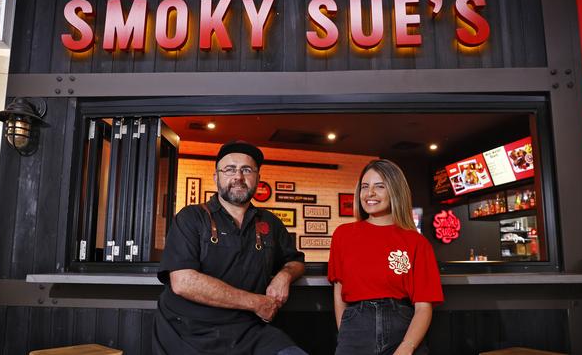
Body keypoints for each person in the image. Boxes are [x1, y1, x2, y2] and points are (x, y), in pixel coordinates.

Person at [153, 140, 307, 355]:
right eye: (230, 169)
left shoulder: (270, 222)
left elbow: (296, 261)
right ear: (216, 177)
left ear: (258, 178)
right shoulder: (191, 217)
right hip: (190, 331)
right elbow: (183, 282)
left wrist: (285, 275)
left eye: (246, 170)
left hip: (249, 330)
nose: (238, 177)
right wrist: (256, 302)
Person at [328, 159, 443, 355]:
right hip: (355, 331)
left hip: (404, 330)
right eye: (365, 187)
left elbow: (424, 307)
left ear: (395, 191)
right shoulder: (343, 234)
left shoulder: (417, 242)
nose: (369, 193)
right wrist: (345, 334)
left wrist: (407, 347)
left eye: (379, 186)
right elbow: (339, 293)